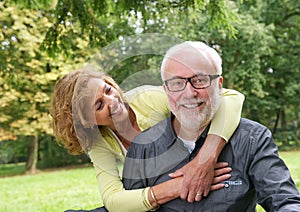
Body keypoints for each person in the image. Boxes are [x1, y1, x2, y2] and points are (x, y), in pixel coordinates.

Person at [123, 41, 300, 211]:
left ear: (219, 85)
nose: (190, 93)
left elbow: (284, 200)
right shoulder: (142, 147)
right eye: (177, 83)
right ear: (166, 90)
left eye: (200, 80)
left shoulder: (252, 139)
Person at [50, 67, 244, 211]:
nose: (113, 101)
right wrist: (176, 187)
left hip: (201, 189)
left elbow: (230, 97)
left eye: (108, 90)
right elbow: (113, 199)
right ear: (87, 122)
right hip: (163, 196)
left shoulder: (148, 99)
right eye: (99, 105)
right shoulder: (98, 140)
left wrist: (206, 159)